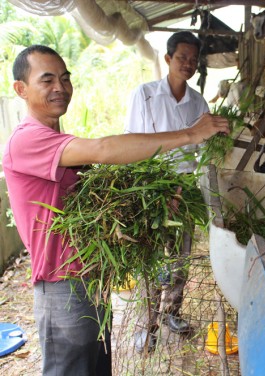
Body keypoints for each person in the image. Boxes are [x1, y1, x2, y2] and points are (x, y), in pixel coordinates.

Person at [2, 44, 229, 375]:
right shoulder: (28, 140)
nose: (60, 88)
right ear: (20, 89)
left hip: (90, 278)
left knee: (96, 367)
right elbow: (104, 149)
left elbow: (96, 204)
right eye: (47, 80)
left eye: (65, 79)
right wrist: (191, 134)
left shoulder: (58, 140)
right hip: (62, 283)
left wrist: (148, 204)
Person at [124, 31, 210, 352]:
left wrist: (182, 189)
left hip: (184, 191)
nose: (188, 64)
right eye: (182, 58)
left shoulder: (198, 102)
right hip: (151, 189)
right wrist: (162, 189)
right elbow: (134, 145)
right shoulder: (145, 95)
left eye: (193, 60)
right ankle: (147, 324)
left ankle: (172, 312)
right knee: (148, 258)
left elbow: (202, 152)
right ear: (168, 59)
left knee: (180, 258)